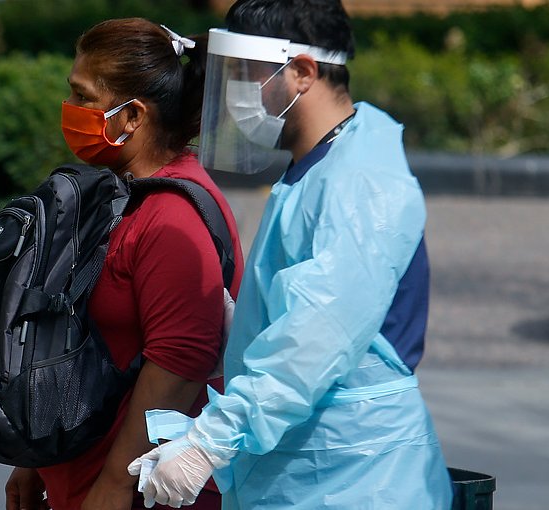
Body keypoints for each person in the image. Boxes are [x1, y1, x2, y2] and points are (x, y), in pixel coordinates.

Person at [129, 0, 453, 508]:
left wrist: (207, 444)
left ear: (301, 71)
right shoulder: (319, 166)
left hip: (357, 475)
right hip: (315, 468)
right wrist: (244, 329)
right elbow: (313, 312)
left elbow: (316, 341)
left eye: (244, 73)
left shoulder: (360, 180)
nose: (234, 93)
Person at [4, 18, 245, 510]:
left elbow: (182, 359)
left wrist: (114, 487)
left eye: (83, 96)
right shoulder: (119, 196)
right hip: (83, 479)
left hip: (143, 494)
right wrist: (34, 456)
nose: (71, 110)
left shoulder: (172, 216)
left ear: (131, 115)